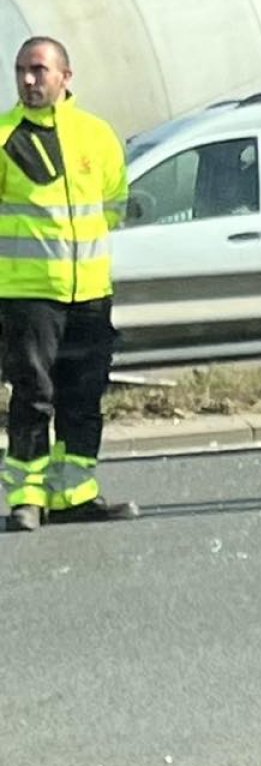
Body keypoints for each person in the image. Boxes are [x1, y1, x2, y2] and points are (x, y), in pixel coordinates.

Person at [0, 36, 137, 531]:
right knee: (33, 396)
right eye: (22, 71)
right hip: (28, 294)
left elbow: (114, 204)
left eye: (39, 70)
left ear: (66, 76)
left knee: (83, 397)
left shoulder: (97, 135)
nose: (29, 80)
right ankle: (27, 498)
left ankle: (74, 494)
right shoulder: (4, 136)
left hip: (90, 294)